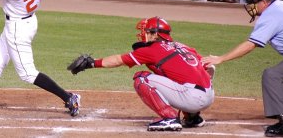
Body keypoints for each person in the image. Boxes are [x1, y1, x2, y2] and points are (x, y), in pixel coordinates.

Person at [202, 0, 283, 137]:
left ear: (264, 2)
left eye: (253, 2)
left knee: (273, 75)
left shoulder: (271, 13)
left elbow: (251, 44)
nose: (250, 6)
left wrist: (221, 59)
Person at [68, 16, 214, 131]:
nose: (143, 34)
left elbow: (118, 60)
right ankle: (193, 117)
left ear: (156, 34)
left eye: (147, 32)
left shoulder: (152, 50)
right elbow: (210, 67)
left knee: (142, 78)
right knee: (174, 76)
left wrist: (92, 63)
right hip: (208, 95)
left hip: (192, 98)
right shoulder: (182, 46)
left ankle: (169, 118)